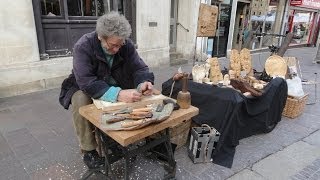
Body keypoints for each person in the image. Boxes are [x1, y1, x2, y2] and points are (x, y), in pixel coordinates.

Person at [59, 11, 154, 169]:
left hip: (115, 81)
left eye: (120, 44)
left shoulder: (125, 44)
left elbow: (139, 67)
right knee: (80, 99)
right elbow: (86, 81)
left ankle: (113, 138)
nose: (117, 49)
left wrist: (144, 82)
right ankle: (89, 150)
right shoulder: (83, 46)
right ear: (100, 37)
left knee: (130, 96)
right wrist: (117, 94)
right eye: (112, 45)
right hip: (85, 85)